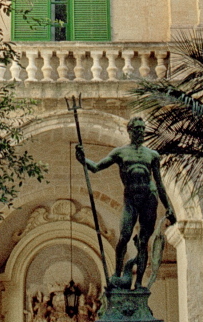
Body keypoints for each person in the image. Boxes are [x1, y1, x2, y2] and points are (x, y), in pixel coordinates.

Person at [75, 115, 175, 289]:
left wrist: (168, 208)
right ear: (129, 131)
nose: (141, 132)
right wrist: (83, 160)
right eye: (137, 129)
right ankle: (117, 274)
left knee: (144, 242)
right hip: (131, 197)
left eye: (143, 129)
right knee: (124, 235)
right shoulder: (120, 152)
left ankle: (138, 284)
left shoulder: (152, 155)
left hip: (149, 197)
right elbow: (97, 167)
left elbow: (159, 183)